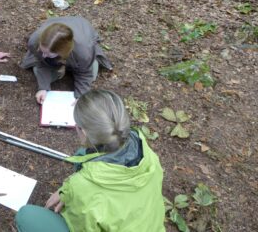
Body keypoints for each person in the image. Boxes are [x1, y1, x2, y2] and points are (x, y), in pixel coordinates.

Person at [15, 90, 166, 231]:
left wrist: (74, 194)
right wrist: (68, 191)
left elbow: (83, 226)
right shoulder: (147, 152)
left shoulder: (83, 189)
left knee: (26, 216)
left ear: (84, 133)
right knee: (82, 154)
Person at [20, 16, 113, 104]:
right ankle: (59, 67)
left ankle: (66, 66)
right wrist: (43, 88)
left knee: (91, 74)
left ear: (62, 51)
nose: (43, 55)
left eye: (48, 54)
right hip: (60, 46)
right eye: (42, 51)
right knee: (38, 71)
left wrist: (81, 96)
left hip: (80, 36)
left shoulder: (83, 51)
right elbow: (41, 63)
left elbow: (85, 74)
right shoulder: (34, 41)